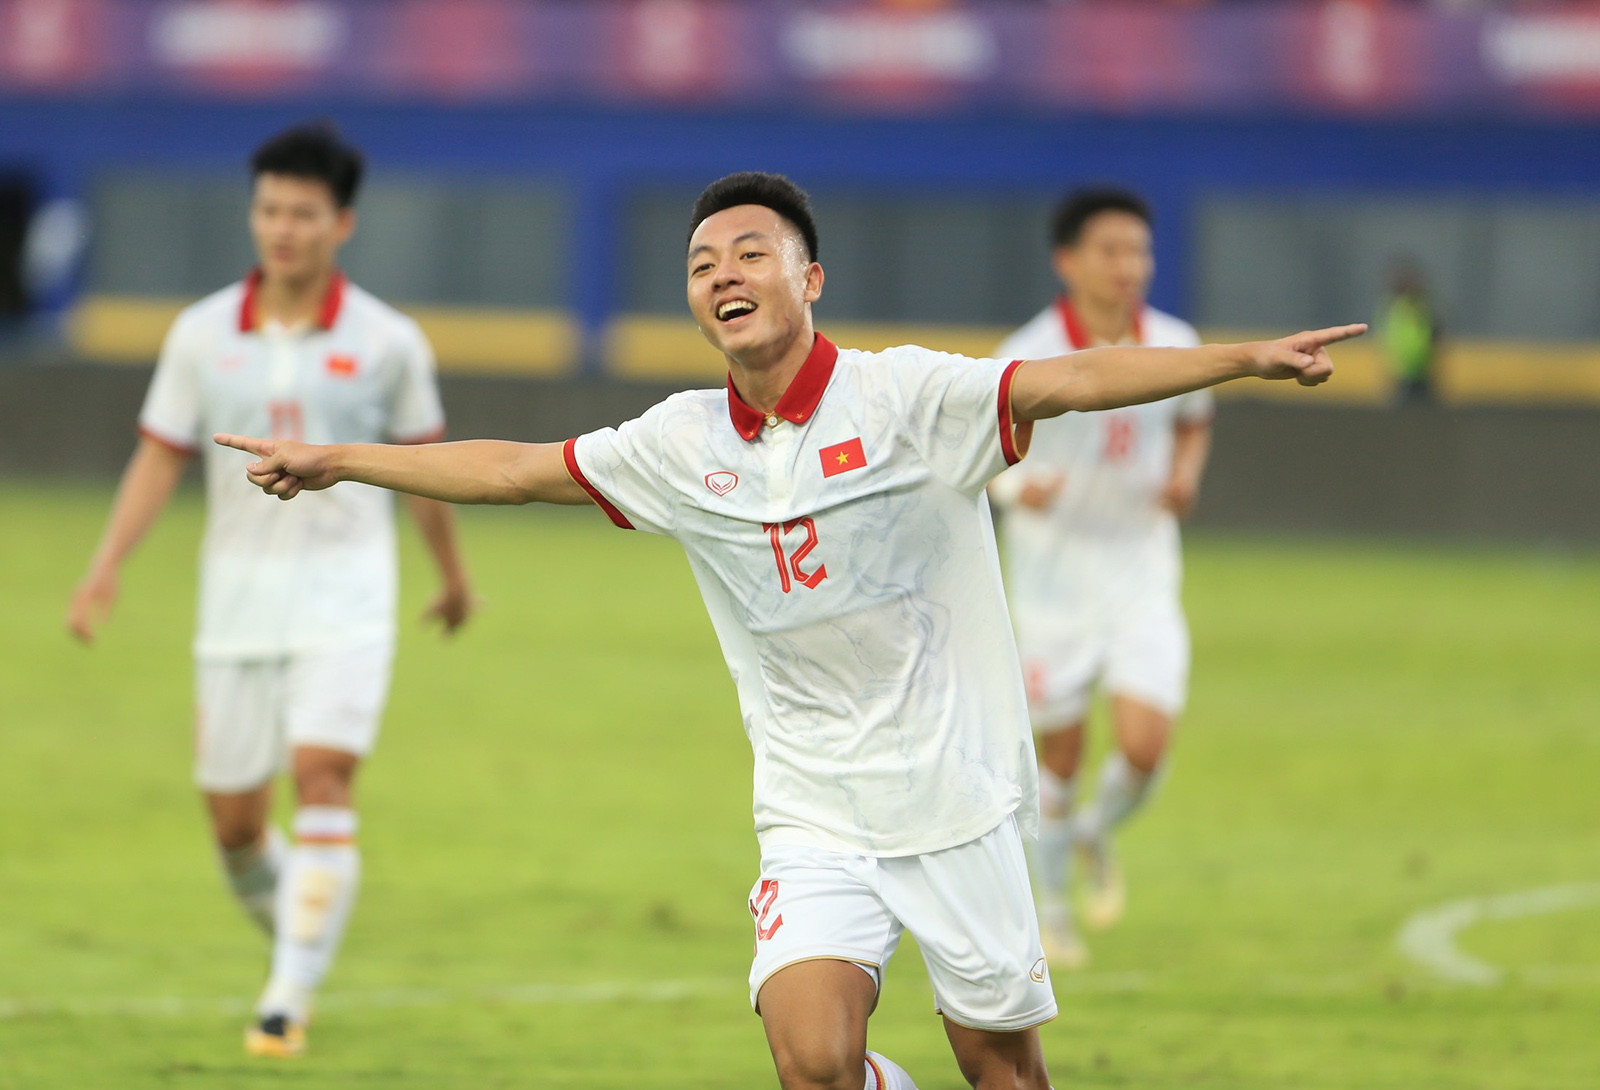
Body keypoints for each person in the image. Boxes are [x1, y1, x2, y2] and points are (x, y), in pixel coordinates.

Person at [213, 172, 1361, 1090]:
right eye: (702, 264)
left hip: (957, 800)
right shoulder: (678, 440)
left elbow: (1069, 379)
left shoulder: (910, 399)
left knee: (1001, 1068)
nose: (723, 273)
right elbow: (516, 468)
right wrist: (338, 462)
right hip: (814, 811)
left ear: (810, 275)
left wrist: (1245, 358)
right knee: (810, 1060)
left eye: (749, 252)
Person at [66, 123, 474, 1058]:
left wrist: (453, 580)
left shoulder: (389, 342)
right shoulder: (202, 333)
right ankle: (306, 933)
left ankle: (285, 1000)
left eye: (302, 213)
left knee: (324, 776)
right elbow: (159, 457)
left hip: (348, 596)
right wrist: (105, 564)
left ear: (342, 223)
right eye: (268, 210)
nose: (282, 229)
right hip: (235, 603)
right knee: (236, 827)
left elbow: (431, 469)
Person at [988, 188, 1212, 969]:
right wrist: (1018, 488)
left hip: (1140, 572)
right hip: (1052, 585)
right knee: (1061, 756)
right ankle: (1052, 913)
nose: (1129, 267)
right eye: (1111, 250)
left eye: (1140, 251)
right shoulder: (1028, 352)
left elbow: (1195, 419)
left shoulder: (1177, 343)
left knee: (1146, 748)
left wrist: (1185, 475)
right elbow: (981, 461)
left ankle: (1090, 835)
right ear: (1068, 260)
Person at [1377, 259, 1440, 405]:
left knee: (1420, 407)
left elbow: (1435, 334)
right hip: (1403, 368)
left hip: (1420, 367)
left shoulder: (1418, 305)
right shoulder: (1396, 305)